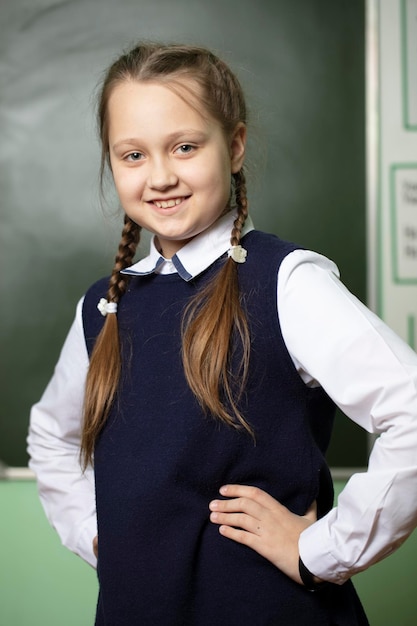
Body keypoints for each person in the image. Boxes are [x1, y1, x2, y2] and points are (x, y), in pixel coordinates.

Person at [27, 42, 417, 626]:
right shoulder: (106, 305)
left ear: (233, 146)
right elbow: (51, 436)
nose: (160, 176)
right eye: (132, 155)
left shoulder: (286, 283)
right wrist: (97, 537)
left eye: (185, 147)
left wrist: (322, 550)